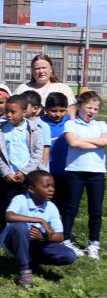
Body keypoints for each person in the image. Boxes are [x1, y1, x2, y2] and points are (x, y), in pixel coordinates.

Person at [0, 171, 76, 289]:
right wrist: (40, 220)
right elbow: (9, 216)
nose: (51, 189)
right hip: (12, 241)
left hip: (35, 243)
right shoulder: (20, 199)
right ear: (31, 189)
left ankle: (31, 262)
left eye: (53, 186)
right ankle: (25, 272)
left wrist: (43, 237)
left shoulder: (51, 207)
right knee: (21, 227)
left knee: (69, 255)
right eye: (46, 186)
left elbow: (60, 236)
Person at [62, 90, 107, 260]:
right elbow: (73, 142)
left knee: (95, 210)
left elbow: (105, 141)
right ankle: (66, 239)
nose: (91, 111)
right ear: (80, 106)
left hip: (96, 173)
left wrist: (83, 143)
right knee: (71, 208)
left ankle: (93, 242)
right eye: (88, 107)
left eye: (95, 109)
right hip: (75, 171)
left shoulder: (101, 125)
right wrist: (96, 144)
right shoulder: (71, 125)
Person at [0, 94, 44, 215]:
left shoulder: (34, 129)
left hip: (28, 176)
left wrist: (24, 172)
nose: (8, 115)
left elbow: (37, 153)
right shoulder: (1, 129)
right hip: (9, 177)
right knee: (8, 206)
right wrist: (7, 173)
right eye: (7, 111)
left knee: (28, 206)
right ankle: (8, 231)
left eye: (13, 112)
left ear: (24, 112)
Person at [41, 92, 72, 209]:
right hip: (48, 170)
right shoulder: (40, 123)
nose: (58, 114)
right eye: (53, 111)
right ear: (45, 109)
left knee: (65, 201)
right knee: (48, 200)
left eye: (62, 111)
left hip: (66, 169)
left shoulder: (70, 122)